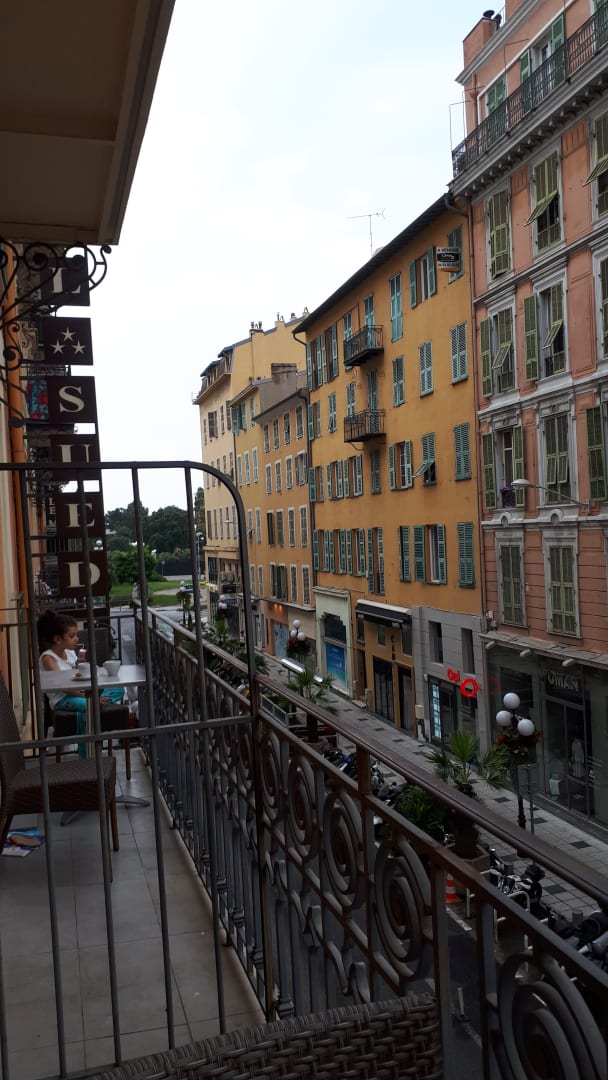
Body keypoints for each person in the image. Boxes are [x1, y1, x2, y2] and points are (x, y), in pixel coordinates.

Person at [38, 610, 125, 759]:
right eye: (72, 636)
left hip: (80, 693)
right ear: (58, 639)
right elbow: (63, 687)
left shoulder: (69, 653)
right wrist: (88, 697)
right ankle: (86, 756)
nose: (76, 639)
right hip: (62, 699)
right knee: (89, 706)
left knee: (119, 689)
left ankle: (96, 704)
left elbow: (76, 675)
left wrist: (80, 664)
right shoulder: (48, 658)